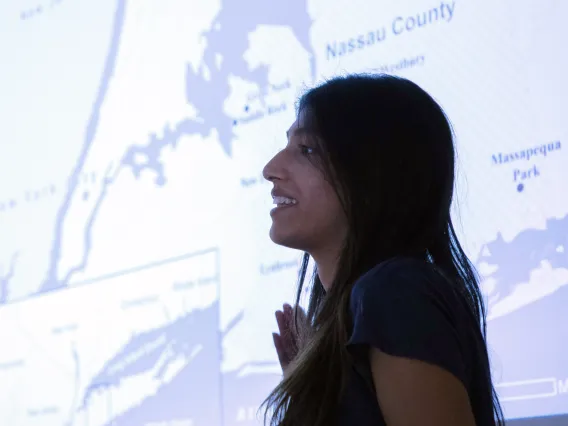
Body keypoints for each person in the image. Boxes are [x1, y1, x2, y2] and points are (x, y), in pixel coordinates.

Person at [260, 74, 505, 426]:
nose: (271, 170)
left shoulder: (394, 290)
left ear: (371, 173)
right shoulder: (376, 300)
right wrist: (313, 393)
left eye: (306, 149)